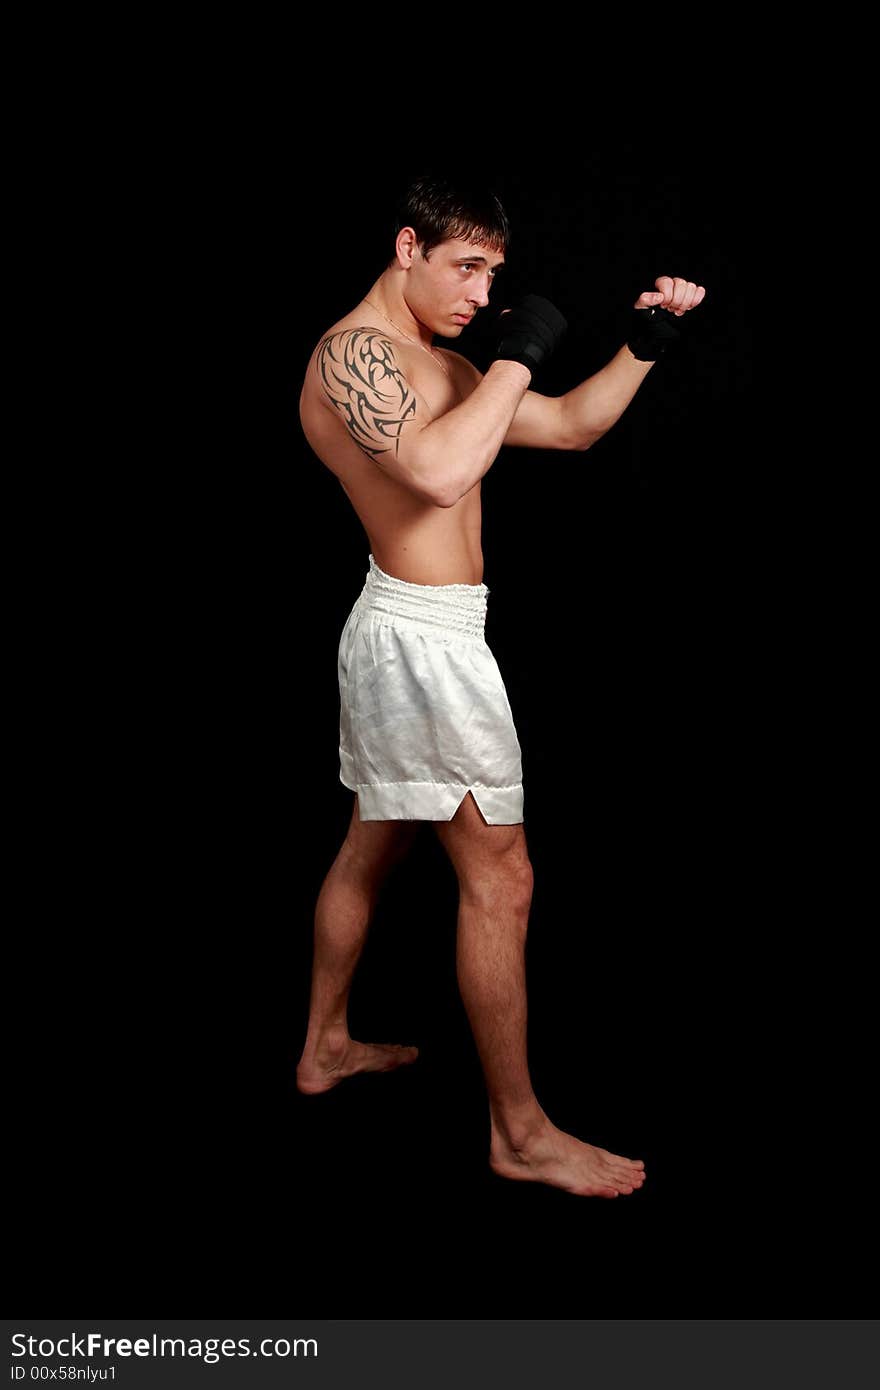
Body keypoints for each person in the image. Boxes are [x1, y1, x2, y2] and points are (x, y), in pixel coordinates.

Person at [296, 172, 706, 1199]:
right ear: (406, 247)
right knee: (503, 875)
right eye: (466, 266)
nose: (483, 292)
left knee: (372, 838)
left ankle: (324, 1045)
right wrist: (515, 358)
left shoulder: (435, 364)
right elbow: (436, 474)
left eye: (494, 274)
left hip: (421, 633)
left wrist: (641, 346)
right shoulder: (353, 356)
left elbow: (567, 427)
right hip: (419, 643)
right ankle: (518, 1133)